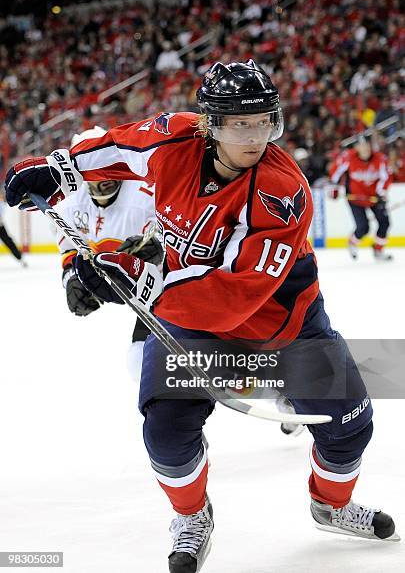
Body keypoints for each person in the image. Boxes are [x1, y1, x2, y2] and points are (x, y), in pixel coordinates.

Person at [5, 60, 399, 573]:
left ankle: (332, 505)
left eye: (264, 122)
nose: (255, 136)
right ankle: (192, 516)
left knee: (350, 425)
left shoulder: (284, 192)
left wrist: (134, 282)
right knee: (166, 434)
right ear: (211, 125)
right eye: (240, 124)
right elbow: (113, 149)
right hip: (187, 323)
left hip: (284, 325)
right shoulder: (172, 139)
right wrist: (56, 169)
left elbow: (237, 296)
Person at [59, 126, 163, 376]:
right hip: (142, 293)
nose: (103, 178)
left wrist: (158, 250)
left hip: (167, 291)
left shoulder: (146, 194)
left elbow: (175, 238)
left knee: (142, 363)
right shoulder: (71, 204)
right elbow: (70, 248)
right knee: (140, 365)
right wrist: (72, 279)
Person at [329, 135, 393, 261]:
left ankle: (378, 250)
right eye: (361, 146)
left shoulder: (380, 159)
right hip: (355, 199)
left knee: (384, 222)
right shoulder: (348, 157)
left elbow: (386, 177)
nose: (365, 149)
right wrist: (334, 188)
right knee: (363, 227)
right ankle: (353, 242)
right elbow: (335, 172)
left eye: (367, 146)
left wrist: (381, 193)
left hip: (374, 198)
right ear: (357, 147)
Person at [0, 186, 27, 267]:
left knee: (8, 241)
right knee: (8, 241)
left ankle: (20, 257)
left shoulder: (1, 204)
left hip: (0, 226)